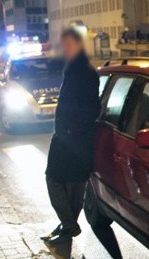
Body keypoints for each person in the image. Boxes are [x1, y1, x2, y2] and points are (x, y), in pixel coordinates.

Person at [42, 28, 100, 245]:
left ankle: (68, 225)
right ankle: (68, 224)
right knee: (57, 180)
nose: (64, 49)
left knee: (71, 185)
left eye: (68, 45)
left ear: (79, 45)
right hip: (65, 137)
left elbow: (92, 107)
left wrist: (74, 129)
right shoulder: (71, 69)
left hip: (76, 138)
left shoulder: (86, 72)